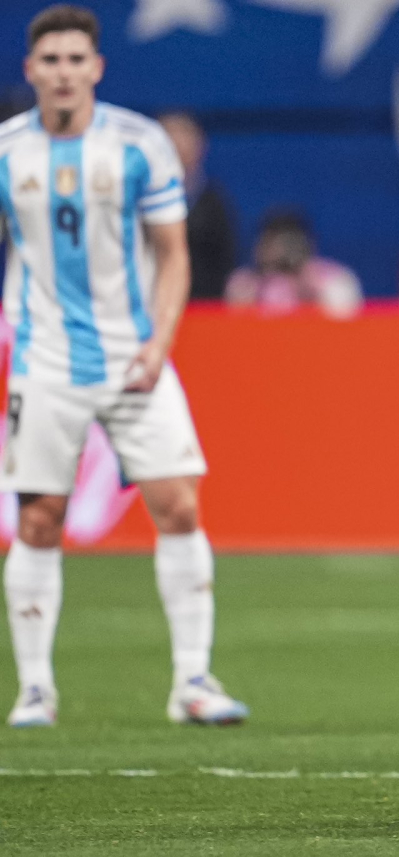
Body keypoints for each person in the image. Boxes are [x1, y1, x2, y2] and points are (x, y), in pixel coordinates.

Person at [0, 5, 246, 727]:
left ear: (97, 68)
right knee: (39, 518)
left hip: (135, 354)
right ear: (31, 69)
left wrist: (160, 342)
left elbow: (174, 254)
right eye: (52, 61)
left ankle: (193, 681)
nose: (65, 72)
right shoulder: (8, 151)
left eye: (77, 59)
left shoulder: (139, 145)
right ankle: (35, 687)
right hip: (43, 360)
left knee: (179, 504)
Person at [157, 112, 235, 301]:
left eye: (186, 138)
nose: (178, 147)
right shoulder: (141, 201)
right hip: (154, 301)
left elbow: (225, 259)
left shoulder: (214, 203)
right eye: (170, 139)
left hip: (205, 305)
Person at [224, 210, 363, 317]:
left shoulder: (335, 279)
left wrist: (309, 291)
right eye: (272, 243)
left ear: (308, 244)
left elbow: (345, 323)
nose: (282, 253)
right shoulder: (244, 281)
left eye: (290, 244)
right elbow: (235, 326)